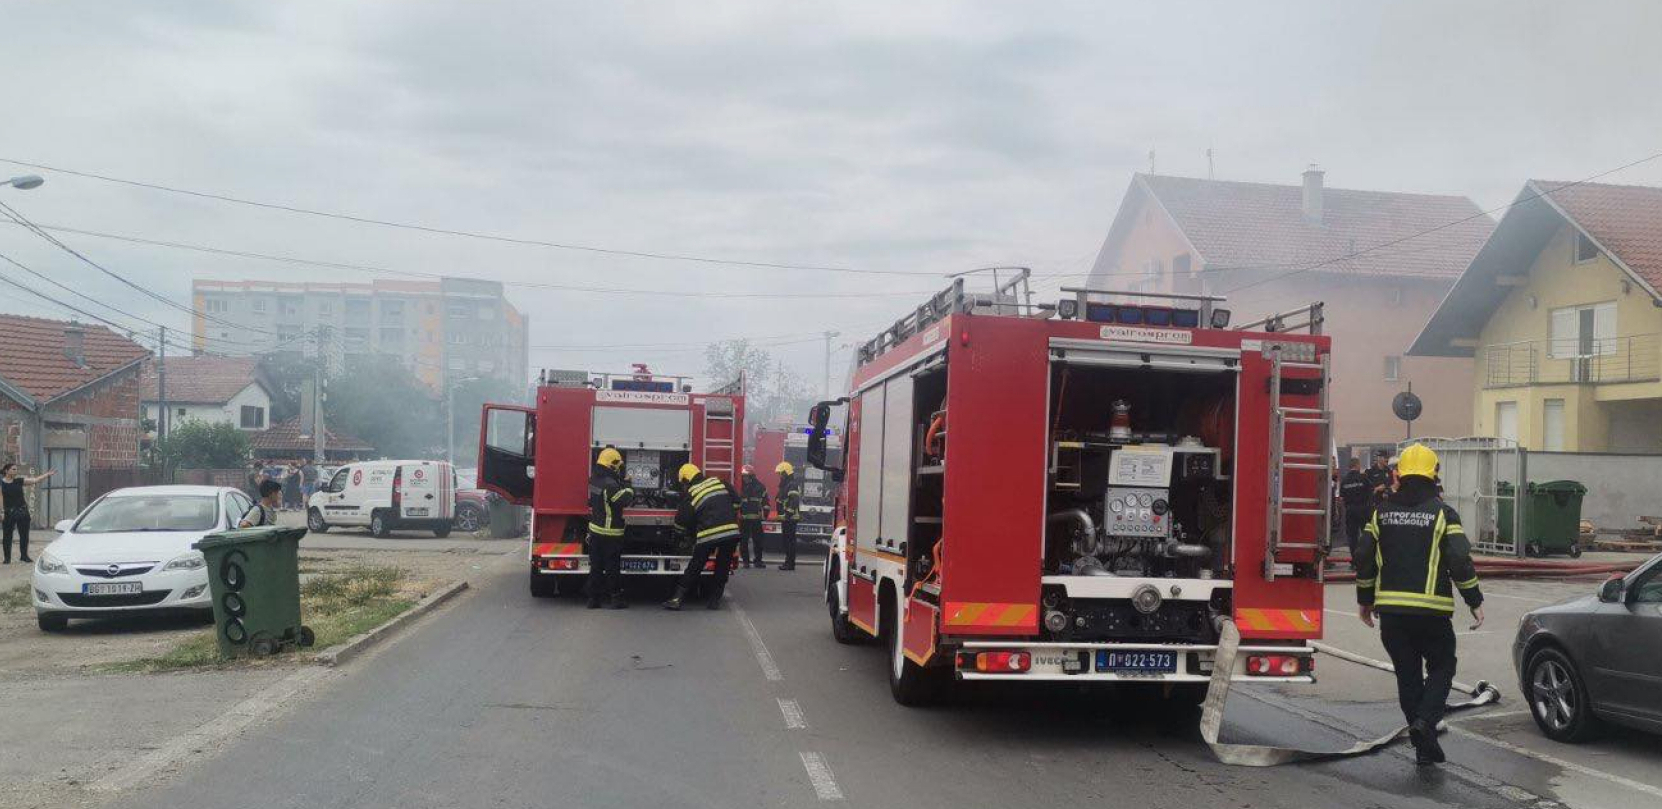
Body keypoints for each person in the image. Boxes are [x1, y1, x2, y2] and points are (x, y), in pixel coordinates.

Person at [1354, 443, 1484, 767]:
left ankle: (1424, 745)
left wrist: (1365, 600)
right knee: (1442, 666)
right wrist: (1474, 600)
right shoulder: (1444, 514)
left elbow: (1364, 557)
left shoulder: (1380, 513)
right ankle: (1425, 724)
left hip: (1393, 615)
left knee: (1408, 676)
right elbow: (1459, 559)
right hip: (1432, 614)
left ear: (1398, 475)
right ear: (1434, 474)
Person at [663, 464, 740, 610]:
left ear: (686, 480)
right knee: (723, 566)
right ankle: (714, 601)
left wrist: (682, 536)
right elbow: (737, 501)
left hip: (708, 535)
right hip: (730, 532)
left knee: (695, 566)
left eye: (683, 484)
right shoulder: (719, 482)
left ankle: (677, 599)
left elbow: (682, 521)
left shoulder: (691, 494)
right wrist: (728, 514)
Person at [585, 447, 633, 610]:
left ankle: (593, 600)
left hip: (595, 531)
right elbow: (624, 500)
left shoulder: (593, 480)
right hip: (611, 533)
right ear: (611, 465)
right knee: (612, 568)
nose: (619, 468)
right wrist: (628, 484)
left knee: (596, 567)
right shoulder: (610, 484)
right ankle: (616, 599)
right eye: (618, 465)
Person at [2, 463, 55, 564]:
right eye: (13, 469)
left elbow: (35, 480)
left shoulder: (18, 481)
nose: (15, 471)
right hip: (9, 512)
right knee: (7, 536)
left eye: (16, 469)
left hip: (22, 511)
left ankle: (24, 556)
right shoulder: (2, 483)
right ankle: (7, 558)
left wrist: (47, 474)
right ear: (6, 471)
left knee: (24, 535)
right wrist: (1, 512)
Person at [737, 465, 770, 568]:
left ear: (751, 476)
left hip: (756, 519)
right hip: (744, 519)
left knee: (758, 541)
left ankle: (758, 561)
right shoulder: (740, 486)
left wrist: (765, 514)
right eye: (743, 476)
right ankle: (746, 562)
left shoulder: (760, 487)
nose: (744, 478)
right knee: (743, 541)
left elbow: (766, 502)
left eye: (746, 476)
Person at [1338, 457, 1370, 556]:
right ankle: (1365, 556)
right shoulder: (1363, 478)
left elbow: (1341, 498)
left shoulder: (1344, 480)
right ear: (1357, 465)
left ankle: (1354, 558)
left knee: (1352, 536)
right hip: (1363, 509)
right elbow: (1370, 492)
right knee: (1366, 534)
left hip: (1350, 510)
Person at [774, 461, 801, 571]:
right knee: (787, 542)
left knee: (789, 542)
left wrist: (788, 514)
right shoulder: (786, 485)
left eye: (780, 473)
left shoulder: (792, 484)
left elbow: (794, 500)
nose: (779, 476)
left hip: (790, 518)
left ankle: (790, 564)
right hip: (786, 518)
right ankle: (788, 562)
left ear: (786, 472)